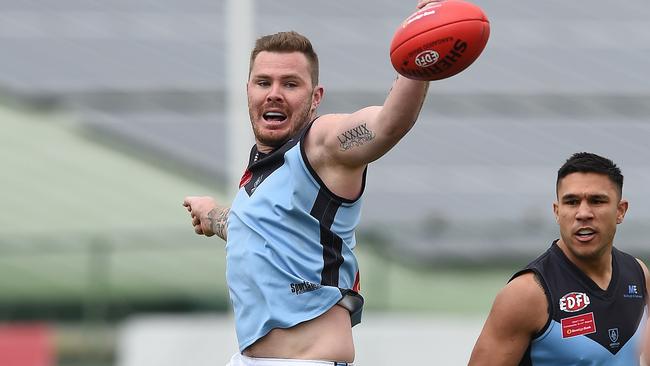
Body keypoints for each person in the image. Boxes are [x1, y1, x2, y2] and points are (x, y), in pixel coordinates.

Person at [183, 1, 436, 364]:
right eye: (263, 82)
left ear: (315, 98)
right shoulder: (262, 172)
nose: (274, 93)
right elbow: (259, 230)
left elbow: (388, 124)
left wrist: (420, 50)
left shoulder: (322, 145)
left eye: (290, 83)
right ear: (249, 91)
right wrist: (215, 216)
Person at [469, 152, 649, 366]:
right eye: (571, 202)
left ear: (620, 211)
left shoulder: (638, 274)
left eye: (597, 201)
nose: (583, 213)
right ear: (557, 211)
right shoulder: (526, 294)